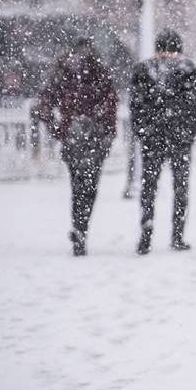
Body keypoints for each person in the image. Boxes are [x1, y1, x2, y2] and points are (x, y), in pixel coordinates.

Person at [130, 28, 196, 255]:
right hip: (180, 138)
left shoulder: (143, 70)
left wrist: (142, 132)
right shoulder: (187, 69)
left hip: (153, 138)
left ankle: (146, 231)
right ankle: (177, 235)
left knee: (149, 186)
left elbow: (136, 105)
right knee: (181, 187)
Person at [35, 37, 117, 256]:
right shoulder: (99, 72)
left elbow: (44, 105)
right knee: (90, 186)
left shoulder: (63, 72)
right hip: (95, 135)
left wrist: (59, 129)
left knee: (78, 185)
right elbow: (111, 105)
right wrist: (108, 132)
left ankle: (79, 227)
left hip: (73, 136)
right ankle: (82, 227)